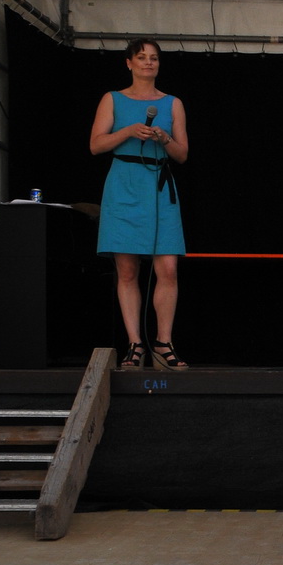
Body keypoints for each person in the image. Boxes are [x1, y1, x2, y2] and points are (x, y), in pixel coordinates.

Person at [89, 38, 190, 370]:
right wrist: (128, 131)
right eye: (142, 57)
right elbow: (96, 145)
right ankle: (135, 344)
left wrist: (165, 138)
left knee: (168, 269)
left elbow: (182, 154)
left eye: (155, 58)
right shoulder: (113, 99)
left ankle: (163, 344)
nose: (149, 63)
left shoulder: (172, 103)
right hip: (124, 183)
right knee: (128, 270)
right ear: (129, 63)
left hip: (159, 186)